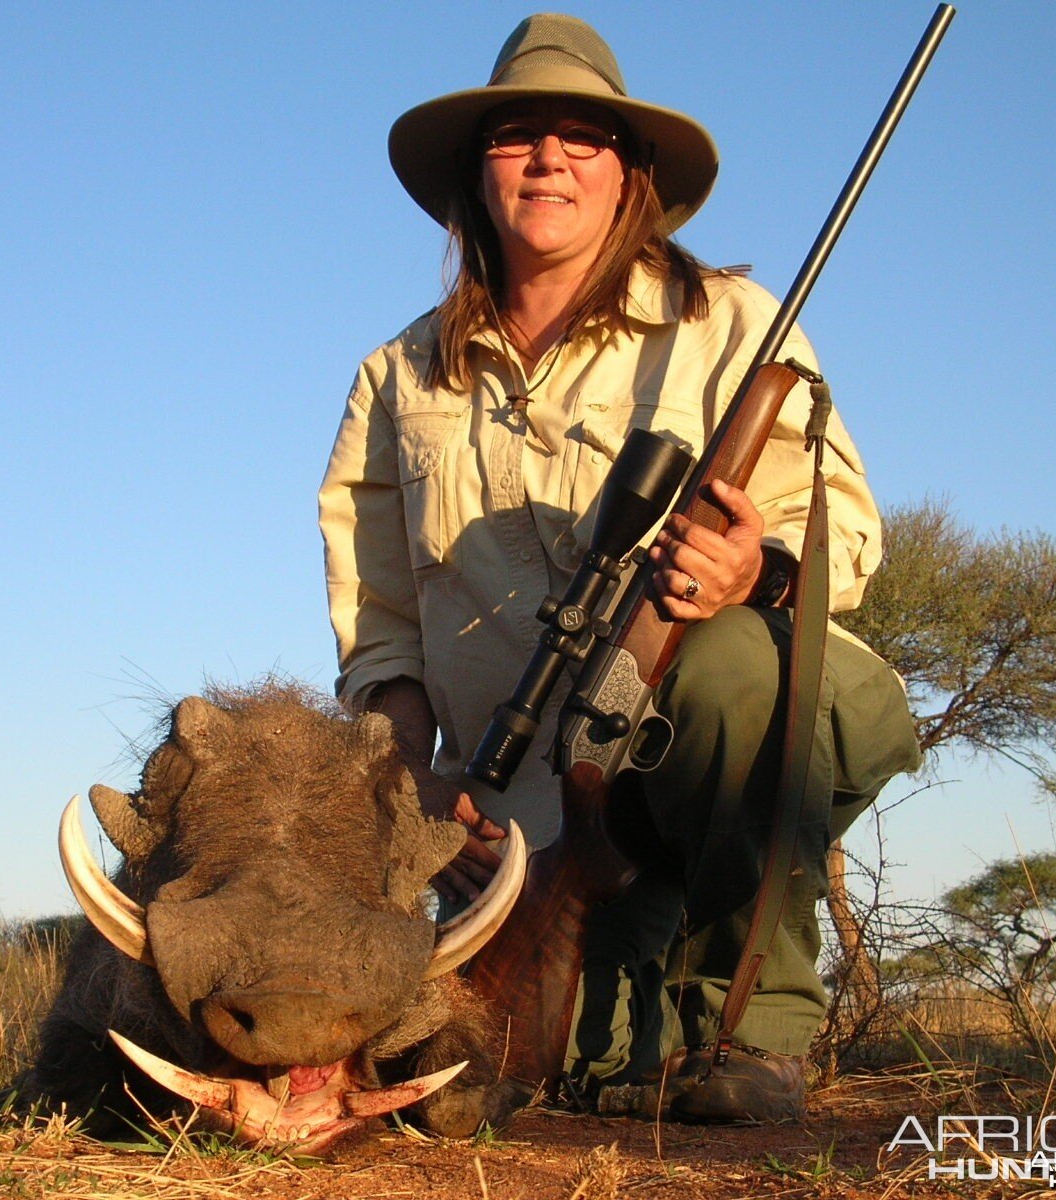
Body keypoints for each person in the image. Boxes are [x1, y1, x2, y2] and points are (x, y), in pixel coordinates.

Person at [318, 13, 920, 1124]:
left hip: (714, 738)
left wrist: (753, 568)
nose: (548, 158)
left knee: (733, 669)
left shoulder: (735, 322)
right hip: (501, 810)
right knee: (518, 1074)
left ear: (629, 174)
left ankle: (758, 1032)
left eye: (580, 137)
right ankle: (627, 1006)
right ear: (473, 171)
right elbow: (380, 616)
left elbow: (846, 530)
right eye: (515, 134)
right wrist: (422, 786)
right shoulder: (393, 375)